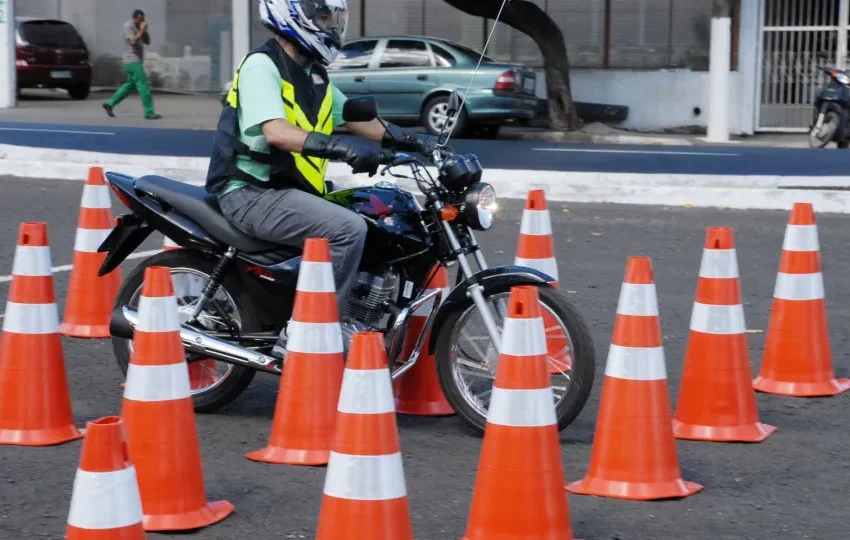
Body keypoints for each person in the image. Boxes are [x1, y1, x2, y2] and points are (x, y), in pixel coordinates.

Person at [205, 0, 439, 360]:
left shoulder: (314, 75)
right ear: (292, 15)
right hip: (251, 191)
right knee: (347, 229)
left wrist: (412, 140)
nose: (331, 25)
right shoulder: (261, 66)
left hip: (289, 189)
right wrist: (342, 149)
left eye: (334, 17)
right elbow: (277, 132)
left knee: (374, 216)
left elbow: (357, 118)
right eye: (324, 16)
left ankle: (361, 313)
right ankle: (311, 329)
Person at [102, 9, 162, 120]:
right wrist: (141, 29)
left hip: (136, 61)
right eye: (139, 20)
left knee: (130, 85)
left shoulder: (139, 27)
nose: (141, 22)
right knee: (143, 85)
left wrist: (144, 30)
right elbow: (133, 41)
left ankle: (109, 104)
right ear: (134, 18)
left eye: (143, 20)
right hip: (131, 60)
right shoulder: (128, 26)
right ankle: (149, 112)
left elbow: (147, 42)